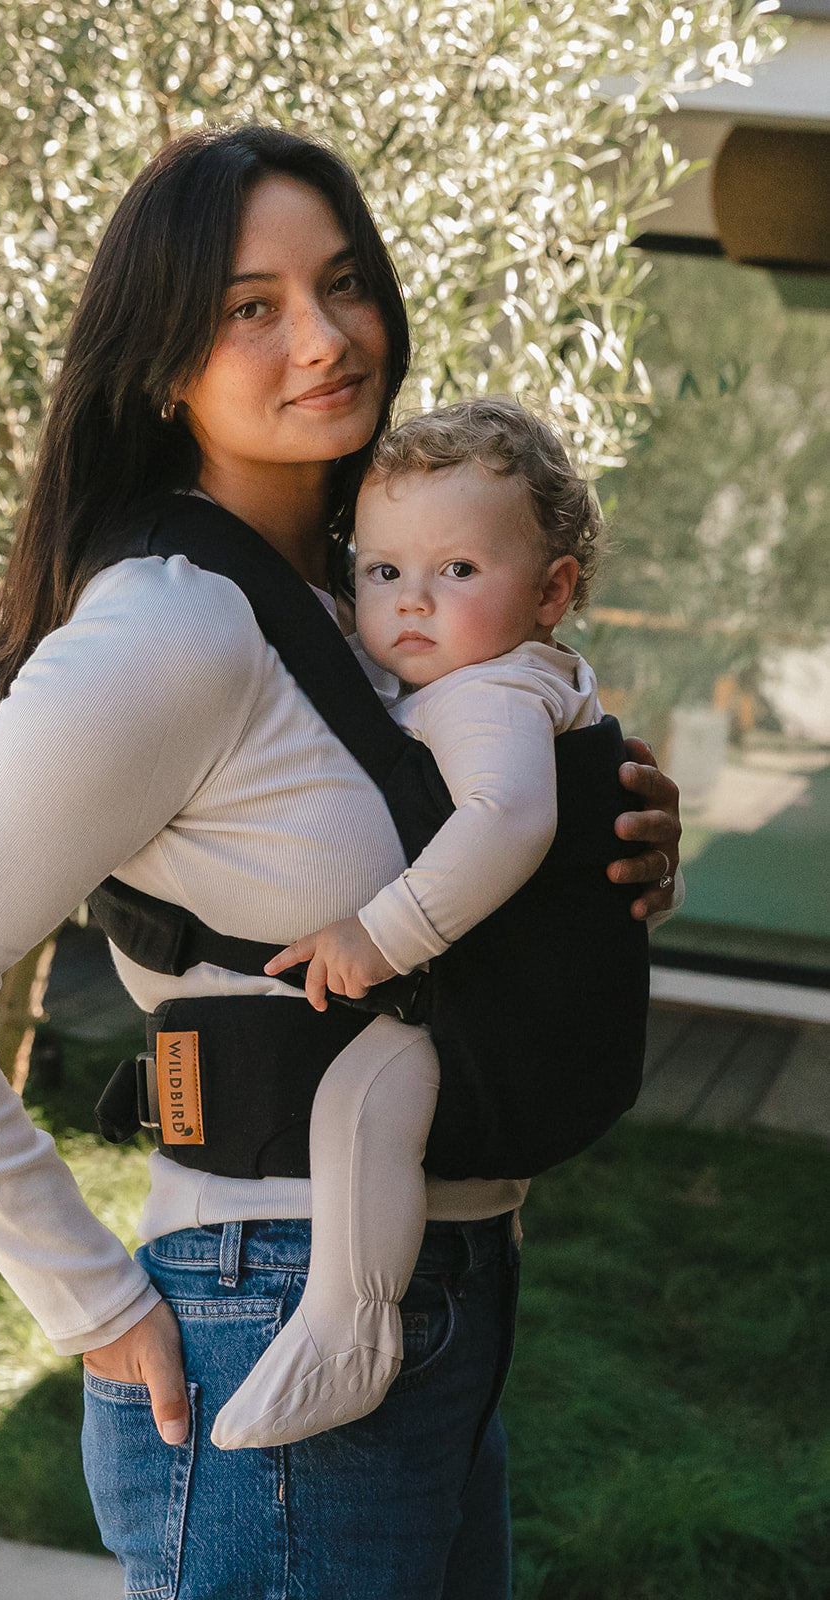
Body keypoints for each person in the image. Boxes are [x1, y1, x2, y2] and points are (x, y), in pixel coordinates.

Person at [0, 125, 681, 1599]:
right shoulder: (171, 624)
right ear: (164, 361)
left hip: (438, 1291)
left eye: (341, 283)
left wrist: (606, 853)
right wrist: (93, 1304)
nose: (325, 337)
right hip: (267, 1301)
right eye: (250, 307)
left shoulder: (360, 599)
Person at [210, 395, 617, 1452]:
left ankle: (351, 1324)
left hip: (489, 1001)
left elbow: (508, 819)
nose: (413, 602)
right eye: (383, 571)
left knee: (364, 1099)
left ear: (551, 591)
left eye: (458, 570)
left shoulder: (489, 694)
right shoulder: (491, 674)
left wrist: (380, 936)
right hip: (522, 1001)